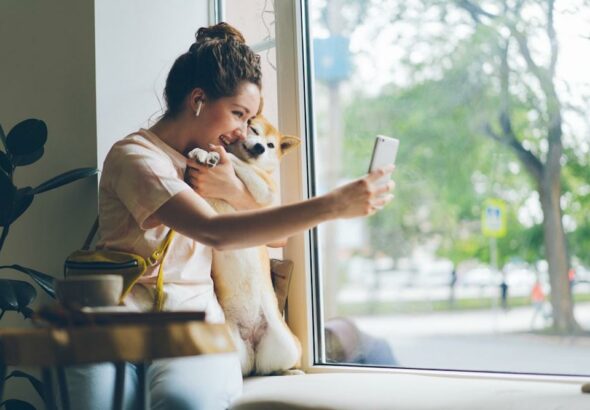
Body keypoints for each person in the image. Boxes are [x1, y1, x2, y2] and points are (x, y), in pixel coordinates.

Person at [65, 22, 395, 410]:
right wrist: (334, 204)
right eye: (238, 114)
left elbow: (275, 239)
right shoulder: (137, 157)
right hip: (118, 318)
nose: (241, 132)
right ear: (199, 99)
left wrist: (233, 190)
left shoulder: (220, 165)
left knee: (182, 401)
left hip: (194, 323)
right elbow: (214, 232)